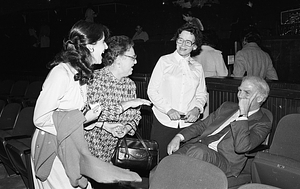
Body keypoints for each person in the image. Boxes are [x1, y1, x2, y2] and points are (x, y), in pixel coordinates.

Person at [31, 20, 141, 189]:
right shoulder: (61, 73)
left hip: (70, 142)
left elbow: (77, 117)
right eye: (102, 42)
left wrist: (101, 125)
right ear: (90, 46)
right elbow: (40, 119)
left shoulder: (81, 73)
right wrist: (84, 119)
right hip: (53, 145)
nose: (106, 48)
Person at [167, 76, 272, 177]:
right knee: (165, 166)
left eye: (247, 93)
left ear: (260, 98)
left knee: (195, 154)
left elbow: (242, 147)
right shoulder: (227, 107)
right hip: (197, 147)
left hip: (225, 160)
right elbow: (202, 125)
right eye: (239, 90)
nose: (240, 95)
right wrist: (179, 137)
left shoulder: (263, 123)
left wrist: (243, 115)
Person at [84, 35, 152, 162]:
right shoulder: (95, 80)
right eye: (133, 58)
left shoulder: (130, 84)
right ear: (118, 59)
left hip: (111, 154)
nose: (135, 62)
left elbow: (136, 116)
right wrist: (125, 104)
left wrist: (126, 128)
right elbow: (90, 116)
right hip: (88, 152)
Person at [147, 22, 208, 160]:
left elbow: (201, 94)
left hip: (188, 125)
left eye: (188, 42)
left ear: (194, 46)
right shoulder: (164, 61)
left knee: (185, 164)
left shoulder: (197, 67)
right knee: (160, 162)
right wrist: (168, 109)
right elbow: (152, 90)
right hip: (164, 121)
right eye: (180, 40)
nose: (183, 45)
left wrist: (197, 109)